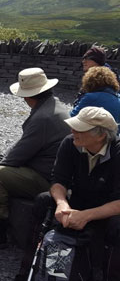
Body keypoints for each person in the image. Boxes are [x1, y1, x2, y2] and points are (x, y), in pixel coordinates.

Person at [0, 67, 70, 248]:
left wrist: (2, 162)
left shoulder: (43, 118)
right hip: (46, 169)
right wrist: (2, 159)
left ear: (28, 96)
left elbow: (18, 155)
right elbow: (24, 144)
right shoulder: (52, 105)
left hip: (49, 180)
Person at [49, 107, 120, 279]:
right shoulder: (70, 143)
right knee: (43, 202)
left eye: (80, 129)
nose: (73, 131)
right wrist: (62, 203)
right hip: (78, 203)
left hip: (108, 210)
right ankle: (51, 274)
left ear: (101, 135)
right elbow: (58, 180)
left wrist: (86, 216)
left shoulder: (117, 152)